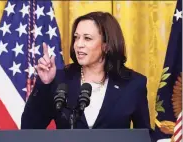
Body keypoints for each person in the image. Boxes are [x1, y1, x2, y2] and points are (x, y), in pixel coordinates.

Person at [21, 11, 151, 130]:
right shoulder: (60, 79)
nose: (78, 44)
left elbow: (144, 137)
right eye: (76, 37)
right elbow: (30, 127)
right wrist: (45, 84)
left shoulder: (133, 84)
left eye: (87, 38)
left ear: (106, 45)